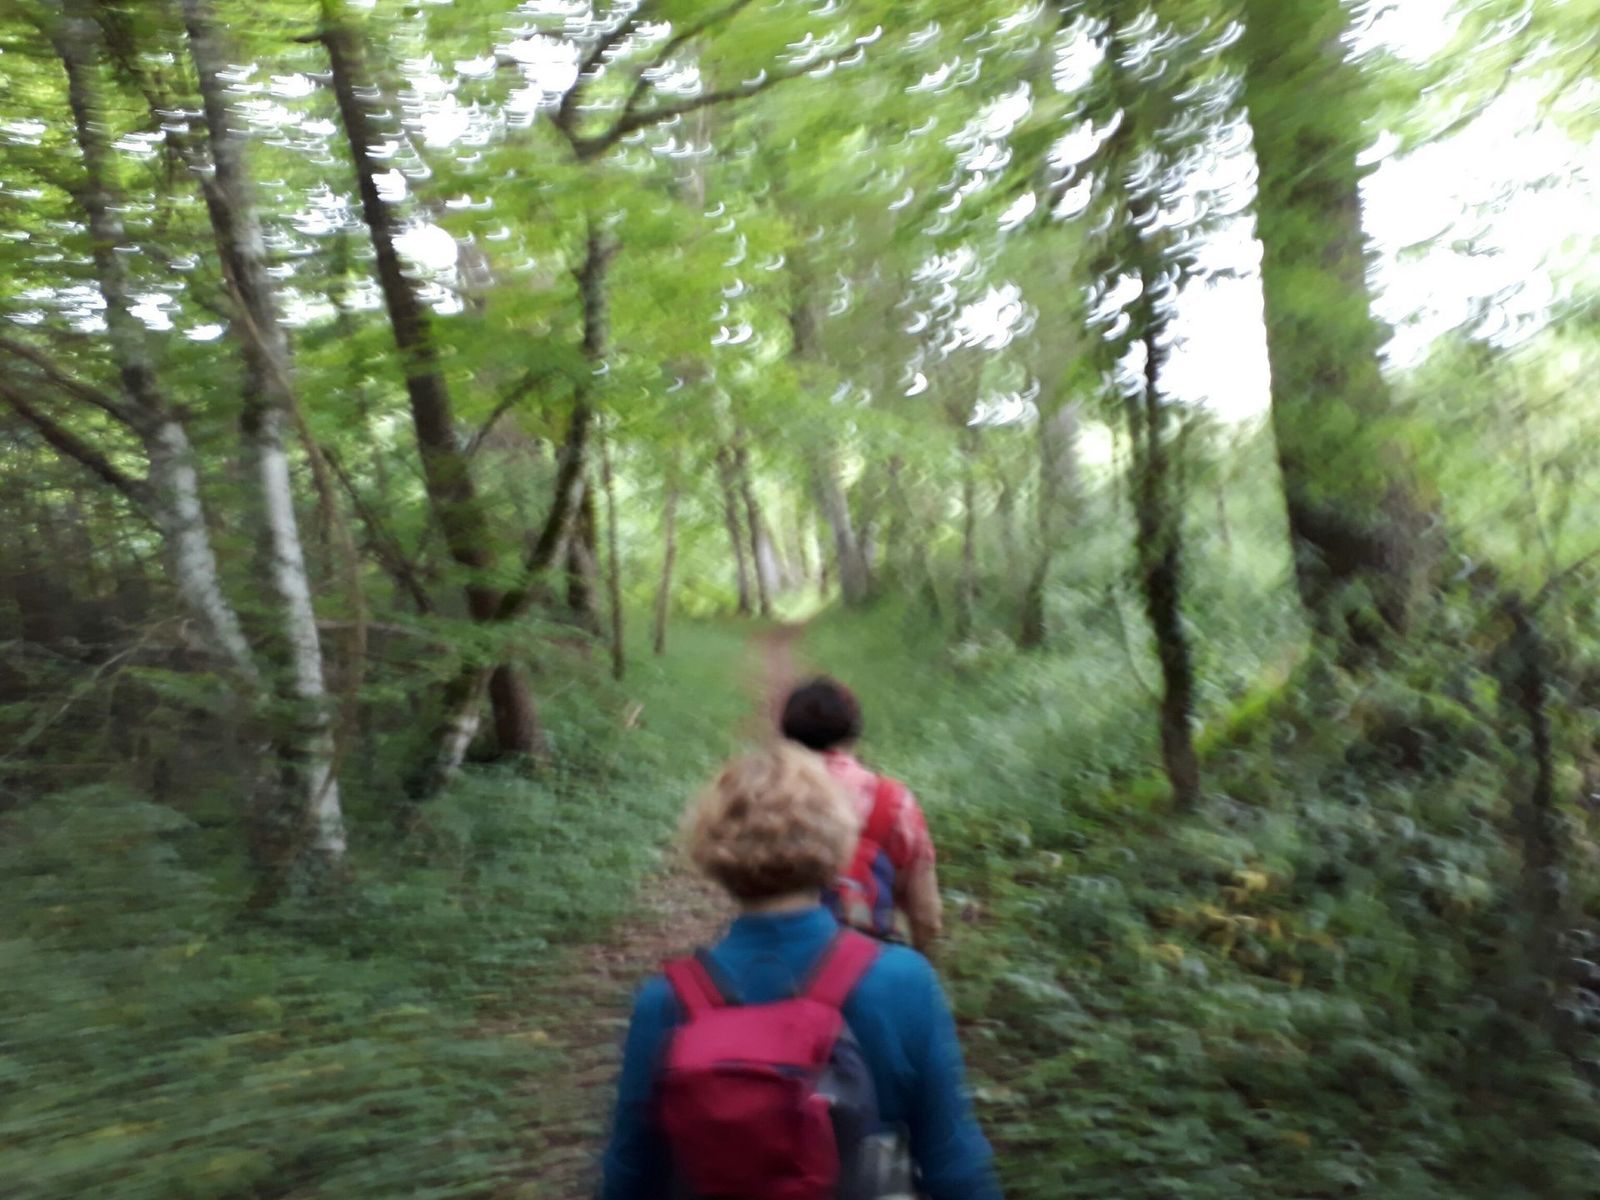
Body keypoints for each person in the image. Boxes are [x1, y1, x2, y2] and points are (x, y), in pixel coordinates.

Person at [599, 744, 1001, 1200]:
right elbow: (952, 1159)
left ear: (712, 854)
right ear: (837, 844)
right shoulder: (902, 980)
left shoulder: (665, 1002)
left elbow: (631, 1173)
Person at [780, 678, 942, 952]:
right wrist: (913, 963)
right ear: (854, 731)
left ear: (788, 735)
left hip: (786, 961)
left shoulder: (767, 801)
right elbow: (927, 918)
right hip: (870, 961)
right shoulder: (894, 802)